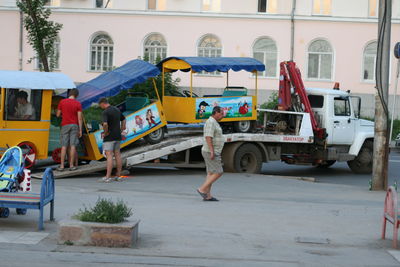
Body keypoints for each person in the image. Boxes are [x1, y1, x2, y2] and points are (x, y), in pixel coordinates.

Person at [197, 106, 225, 201]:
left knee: (211, 173)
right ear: (216, 113)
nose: (223, 115)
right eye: (221, 113)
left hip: (212, 150)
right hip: (210, 151)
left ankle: (207, 195)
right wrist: (212, 151)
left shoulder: (214, 122)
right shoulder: (211, 122)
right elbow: (208, 137)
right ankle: (202, 189)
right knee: (219, 172)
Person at [98, 97, 126, 183]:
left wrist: (106, 132)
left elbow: (105, 124)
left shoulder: (105, 112)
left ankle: (108, 177)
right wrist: (122, 128)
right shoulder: (116, 109)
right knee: (117, 155)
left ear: (103, 103)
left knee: (109, 156)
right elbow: (124, 119)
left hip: (109, 137)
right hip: (117, 136)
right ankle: (118, 176)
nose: (101, 107)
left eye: (100, 105)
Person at [56, 88, 83, 171]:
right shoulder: (78, 103)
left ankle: (62, 166)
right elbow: (79, 118)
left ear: (69, 94)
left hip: (65, 125)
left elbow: (57, 115)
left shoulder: (62, 102)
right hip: (74, 125)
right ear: (76, 95)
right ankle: (71, 165)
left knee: (64, 146)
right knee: (73, 146)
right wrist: (80, 130)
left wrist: (63, 115)